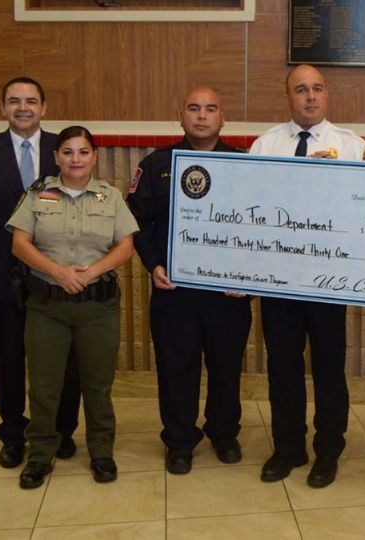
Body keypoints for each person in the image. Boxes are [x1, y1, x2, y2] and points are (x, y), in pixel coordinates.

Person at [248, 64, 365, 488]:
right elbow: (250, 213)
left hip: (328, 283)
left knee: (328, 370)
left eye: (317, 88)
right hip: (279, 281)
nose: (310, 97)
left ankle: (327, 452)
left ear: (327, 94)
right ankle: (287, 448)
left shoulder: (353, 147)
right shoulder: (265, 145)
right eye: (300, 89)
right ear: (288, 96)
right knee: (282, 367)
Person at [0, 76, 81, 469]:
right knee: (6, 362)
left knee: (62, 362)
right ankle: (12, 433)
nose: (22, 107)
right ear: (2, 108)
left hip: (55, 279)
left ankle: (61, 431)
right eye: (14, 101)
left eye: (30, 101)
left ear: (44, 106)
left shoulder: (66, 149)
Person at [127, 87, 251, 475]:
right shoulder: (157, 164)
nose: (201, 115)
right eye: (193, 109)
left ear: (222, 117)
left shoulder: (246, 165)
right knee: (176, 368)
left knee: (226, 367)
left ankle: (224, 433)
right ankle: (179, 441)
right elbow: (138, 223)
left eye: (210, 108)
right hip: (174, 291)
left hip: (227, 294)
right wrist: (152, 265)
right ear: (180, 116)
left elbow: (261, 224)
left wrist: (248, 275)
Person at [6, 126, 139, 489]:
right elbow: (20, 244)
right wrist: (58, 273)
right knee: (45, 386)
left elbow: (125, 247)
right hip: (47, 306)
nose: (75, 159)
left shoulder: (110, 197)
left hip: (98, 307)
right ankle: (39, 456)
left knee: (98, 385)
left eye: (83, 152)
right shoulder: (37, 194)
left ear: (94, 156)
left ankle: (101, 452)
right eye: (67, 152)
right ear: (56, 157)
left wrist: (90, 272)